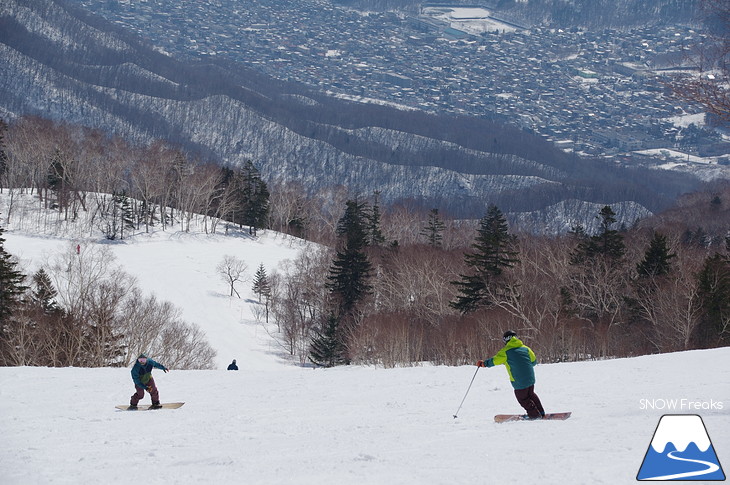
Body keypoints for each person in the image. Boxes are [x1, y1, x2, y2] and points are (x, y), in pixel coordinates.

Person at [477, 330, 545, 419]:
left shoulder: (506, 352)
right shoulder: (526, 348)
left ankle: (534, 415)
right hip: (530, 378)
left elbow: (495, 360)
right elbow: (533, 362)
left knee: (523, 399)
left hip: (518, 380)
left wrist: (484, 364)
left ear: (505, 340)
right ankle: (541, 412)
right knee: (531, 394)